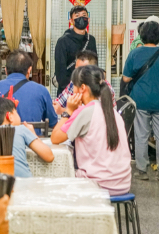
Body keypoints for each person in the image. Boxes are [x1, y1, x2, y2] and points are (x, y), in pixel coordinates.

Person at [51, 65, 131, 195]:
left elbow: (55, 138)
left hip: (96, 185)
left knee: (57, 178)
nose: (72, 92)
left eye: (73, 87)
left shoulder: (84, 112)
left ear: (82, 88)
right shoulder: (114, 113)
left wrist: (68, 111)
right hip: (123, 185)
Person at [122, 21, 159, 181]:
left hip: (141, 100)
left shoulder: (134, 54)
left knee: (141, 135)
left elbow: (126, 78)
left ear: (142, 36)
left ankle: (142, 170)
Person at [0, 97, 54, 177]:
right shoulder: (21, 129)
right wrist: (33, 134)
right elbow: (49, 156)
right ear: (9, 116)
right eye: (16, 112)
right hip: (26, 185)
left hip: (1, 187)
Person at [0, 50, 59, 129]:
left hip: (0, 140)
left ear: (5, 70)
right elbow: (52, 123)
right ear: (29, 70)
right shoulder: (41, 91)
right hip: (32, 139)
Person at [53, 50, 116, 116]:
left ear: (93, 70)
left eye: (80, 70)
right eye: (76, 69)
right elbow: (59, 101)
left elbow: (91, 115)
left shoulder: (102, 87)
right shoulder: (74, 83)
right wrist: (54, 105)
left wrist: (64, 110)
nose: (76, 73)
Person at [53, 5, 97, 95]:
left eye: (84, 15)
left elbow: (94, 66)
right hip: (67, 92)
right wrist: (75, 90)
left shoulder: (91, 40)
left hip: (87, 92)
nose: (81, 18)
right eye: (77, 16)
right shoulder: (63, 41)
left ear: (88, 19)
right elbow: (61, 73)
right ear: (71, 21)